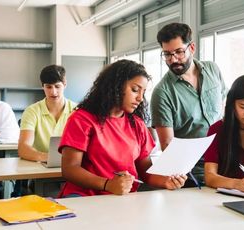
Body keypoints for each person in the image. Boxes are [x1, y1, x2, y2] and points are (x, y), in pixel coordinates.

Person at [59, 60, 187, 197]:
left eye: (143, 93)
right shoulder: (82, 119)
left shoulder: (137, 124)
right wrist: (108, 184)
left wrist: (166, 180)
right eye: (135, 90)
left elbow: (145, 171)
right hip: (84, 197)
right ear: (116, 86)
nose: (140, 98)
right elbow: (70, 169)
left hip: (122, 199)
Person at [151, 22, 227, 186]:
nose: (173, 60)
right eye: (167, 54)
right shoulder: (162, 93)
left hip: (225, 165)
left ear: (191, 48)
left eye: (179, 52)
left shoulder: (213, 70)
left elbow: (223, 110)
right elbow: (167, 145)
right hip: (193, 175)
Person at [18, 65, 76, 162]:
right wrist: (52, 158)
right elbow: (23, 148)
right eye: (48, 87)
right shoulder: (31, 111)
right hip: (40, 168)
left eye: (57, 86)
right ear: (42, 86)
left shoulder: (77, 111)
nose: (53, 92)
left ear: (65, 85)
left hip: (71, 166)